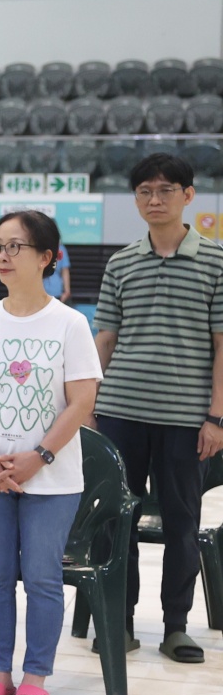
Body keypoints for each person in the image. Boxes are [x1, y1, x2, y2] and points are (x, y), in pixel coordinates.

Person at [0, 210, 101, 695]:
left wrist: (39, 457)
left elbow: (82, 401)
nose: (3, 256)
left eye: (15, 246)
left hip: (52, 477)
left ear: (46, 258)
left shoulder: (71, 323)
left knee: (41, 577)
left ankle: (36, 672)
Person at [94, 153, 223, 665]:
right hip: (119, 411)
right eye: (145, 191)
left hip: (186, 420)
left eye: (166, 190)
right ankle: (119, 622)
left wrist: (216, 416)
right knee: (116, 520)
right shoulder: (121, 262)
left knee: (181, 523)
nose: (154, 199)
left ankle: (175, 627)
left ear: (188, 196)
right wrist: (88, 405)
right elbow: (105, 339)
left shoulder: (216, 261)